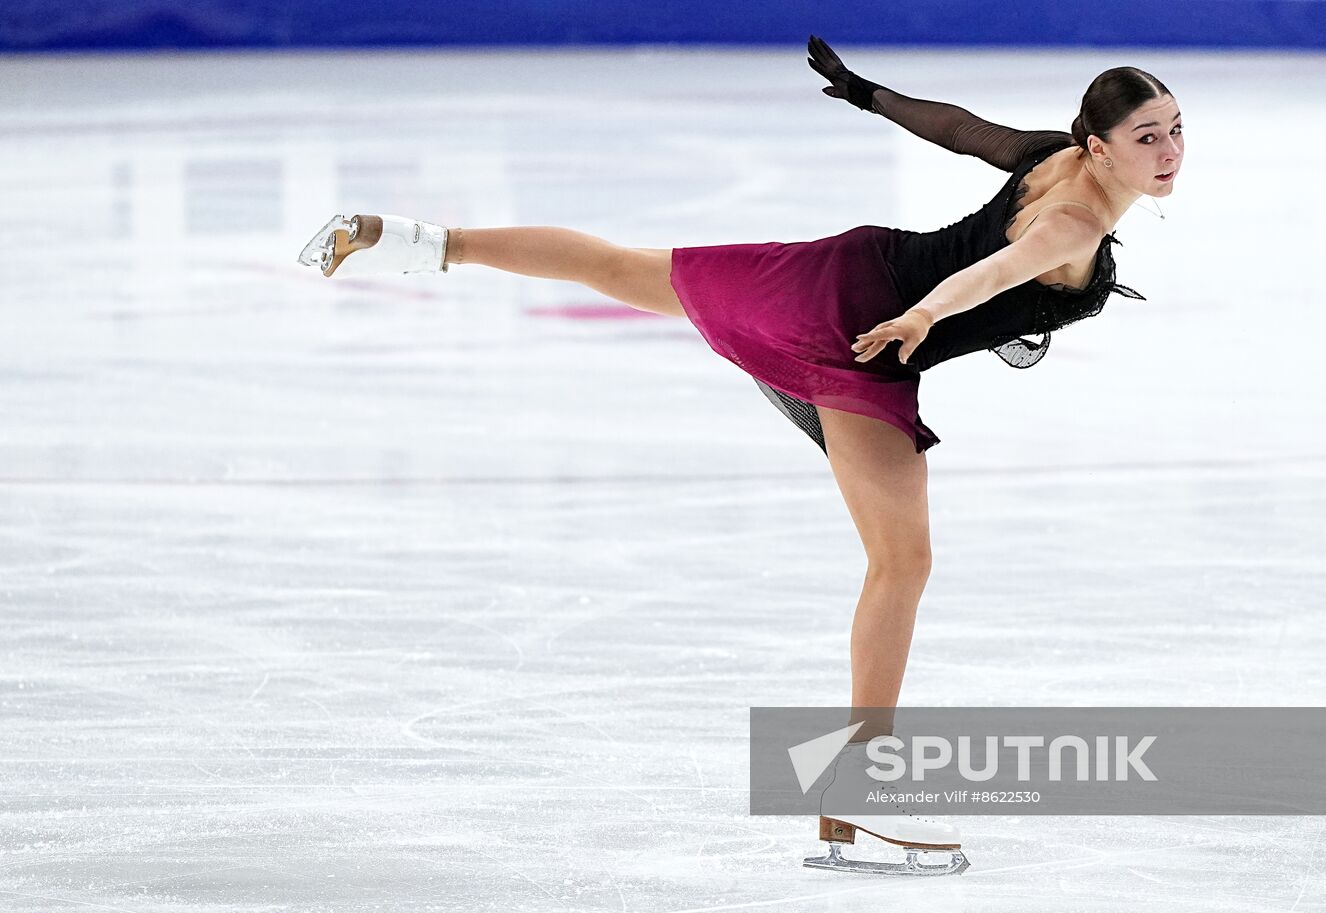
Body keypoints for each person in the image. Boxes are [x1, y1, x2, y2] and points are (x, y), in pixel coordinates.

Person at [295, 35, 1182, 875]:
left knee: (627, 269)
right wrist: (922, 317)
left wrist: (872, 97)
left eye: (1176, 130)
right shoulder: (1072, 222)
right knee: (900, 561)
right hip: (864, 335)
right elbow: (993, 273)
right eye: (1148, 136)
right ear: (1100, 149)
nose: (1170, 150)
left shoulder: (1048, 155)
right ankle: (863, 778)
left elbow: (959, 129)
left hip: (840, 268)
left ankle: (409, 239)